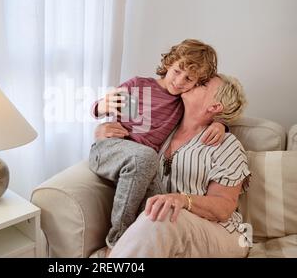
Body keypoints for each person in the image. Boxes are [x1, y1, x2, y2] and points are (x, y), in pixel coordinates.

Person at [89, 39, 227, 250]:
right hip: (109, 149)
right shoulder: (138, 85)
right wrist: (100, 108)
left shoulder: (182, 103)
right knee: (145, 156)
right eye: (177, 71)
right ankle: (116, 240)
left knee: (159, 211)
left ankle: (134, 250)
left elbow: (210, 112)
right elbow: (103, 106)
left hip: (142, 165)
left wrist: (220, 124)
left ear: (196, 84)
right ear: (169, 64)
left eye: (189, 79)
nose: (180, 81)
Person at [95, 74, 251, 258]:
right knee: (157, 215)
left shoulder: (226, 144)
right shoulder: (161, 129)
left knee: (162, 215)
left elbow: (224, 207)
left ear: (215, 106)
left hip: (223, 233)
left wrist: (183, 200)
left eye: (201, 83)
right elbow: (125, 134)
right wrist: (104, 132)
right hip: (164, 225)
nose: (191, 81)